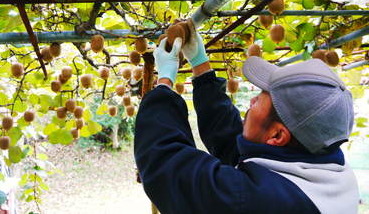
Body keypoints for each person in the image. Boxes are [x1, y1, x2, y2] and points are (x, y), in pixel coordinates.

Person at [134, 22, 359, 214]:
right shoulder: (326, 165)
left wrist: (164, 83)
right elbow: (236, 145)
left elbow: (166, 165)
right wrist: (200, 65)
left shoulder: (257, 202)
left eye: (261, 98)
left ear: (278, 134)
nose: (251, 100)